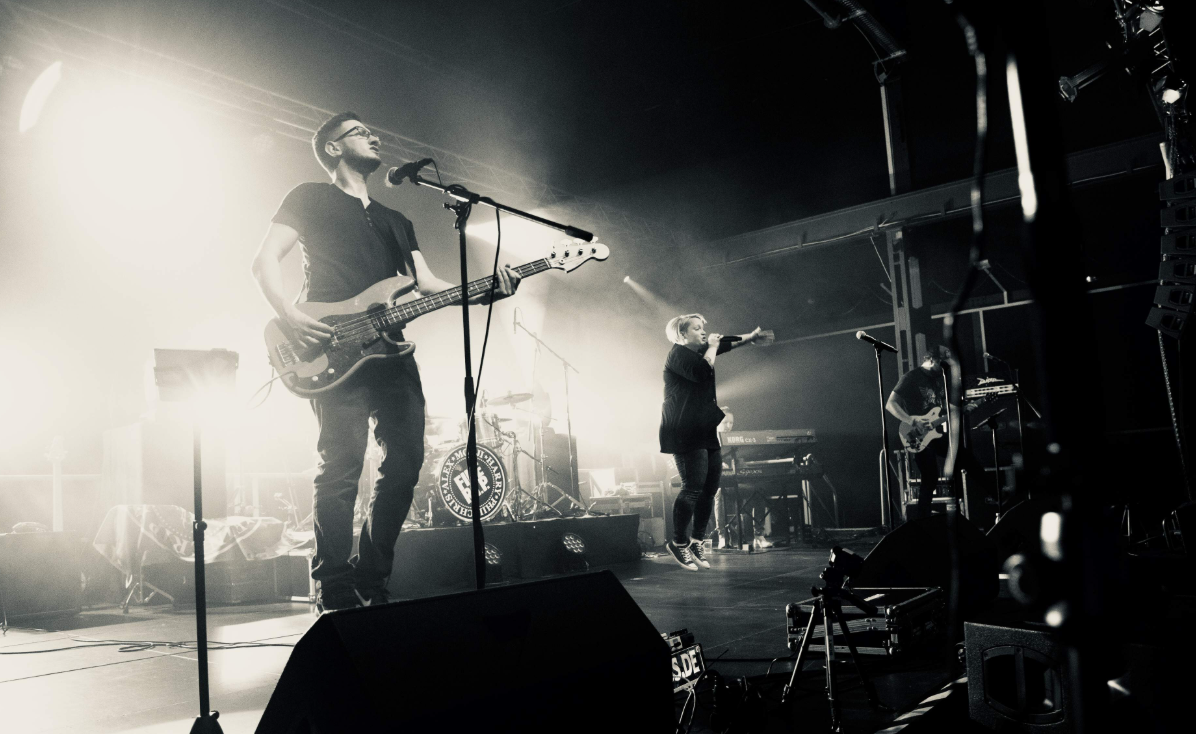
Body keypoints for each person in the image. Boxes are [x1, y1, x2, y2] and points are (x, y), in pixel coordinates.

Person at [251, 112, 521, 611]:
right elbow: (264, 259)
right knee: (342, 466)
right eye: (359, 132)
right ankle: (333, 583)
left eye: (371, 131)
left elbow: (428, 284)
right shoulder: (309, 197)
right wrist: (288, 313)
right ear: (333, 148)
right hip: (331, 343)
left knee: (407, 463)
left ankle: (372, 577)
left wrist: (487, 291)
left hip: (392, 351)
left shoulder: (398, 220)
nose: (373, 136)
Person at [659, 314, 768, 570]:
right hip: (684, 428)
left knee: (710, 488)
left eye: (703, 328)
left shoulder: (699, 352)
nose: (703, 332)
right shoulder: (678, 355)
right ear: (682, 334)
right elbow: (702, 372)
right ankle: (678, 542)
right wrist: (712, 347)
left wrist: (750, 337)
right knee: (692, 487)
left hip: (704, 427)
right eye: (697, 328)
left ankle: (697, 540)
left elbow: (726, 344)